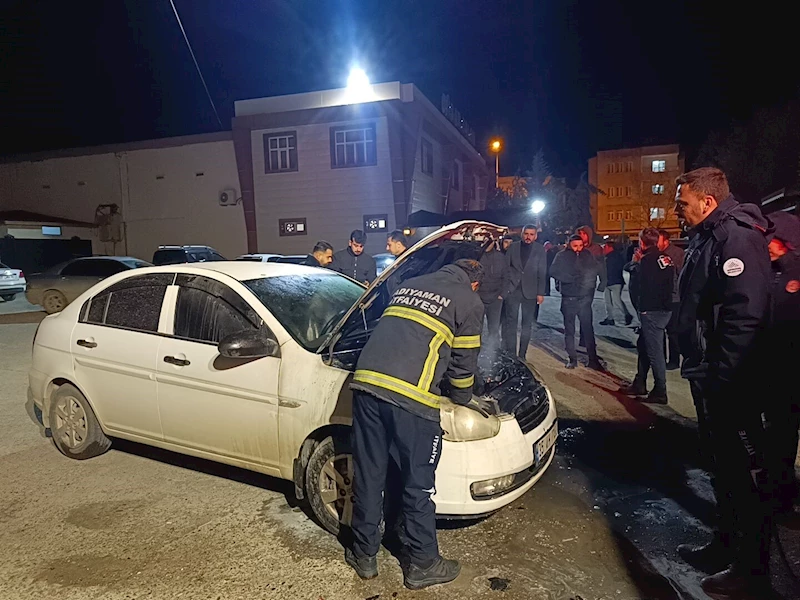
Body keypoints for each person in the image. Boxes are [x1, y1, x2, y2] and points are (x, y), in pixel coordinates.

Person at [347, 259, 487, 590]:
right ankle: (423, 564)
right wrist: (463, 397)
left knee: (369, 474)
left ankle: (364, 555)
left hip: (366, 386)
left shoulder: (409, 285)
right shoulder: (469, 300)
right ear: (474, 283)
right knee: (418, 484)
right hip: (412, 399)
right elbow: (463, 362)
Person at [673, 167, 773, 598]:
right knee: (722, 469)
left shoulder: (737, 237)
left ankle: (751, 569)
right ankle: (726, 546)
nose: (677, 210)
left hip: (731, 382)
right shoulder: (709, 236)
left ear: (707, 201)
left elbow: (745, 315)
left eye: (682, 203)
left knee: (741, 476)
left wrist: (723, 377)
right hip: (709, 374)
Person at [764, 211, 800, 520]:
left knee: (785, 432)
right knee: (779, 433)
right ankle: (779, 491)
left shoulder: (794, 274)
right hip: (775, 369)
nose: (765, 245)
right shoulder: (771, 271)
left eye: (770, 239)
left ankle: (785, 497)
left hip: (791, 368)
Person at [618, 228, 675, 404]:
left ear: (642, 242)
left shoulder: (647, 261)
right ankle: (639, 383)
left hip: (651, 311)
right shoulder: (665, 258)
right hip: (664, 308)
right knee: (644, 346)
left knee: (654, 352)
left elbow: (642, 286)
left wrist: (643, 310)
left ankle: (660, 390)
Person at [550, 235, 603, 370]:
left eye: (580, 245)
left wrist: (590, 283)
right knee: (569, 330)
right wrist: (569, 279)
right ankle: (572, 358)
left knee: (588, 329)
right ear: (569, 244)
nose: (578, 249)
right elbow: (553, 271)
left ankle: (593, 359)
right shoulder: (562, 256)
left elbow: (596, 268)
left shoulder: (587, 254)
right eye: (575, 246)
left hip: (584, 298)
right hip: (569, 298)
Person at [501, 224, 547, 360]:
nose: (528, 237)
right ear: (522, 234)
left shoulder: (539, 249)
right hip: (513, 290)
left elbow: (542, 272)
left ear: (535, 236)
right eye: (526, 234)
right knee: (511, 324)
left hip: (530, 291)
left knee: (527, 325)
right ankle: (511, 354)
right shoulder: (513, 247)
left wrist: (540, 292)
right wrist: (506, 287)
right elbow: (506, 267)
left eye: (531, 234)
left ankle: (522, 355)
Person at [657, 229, 685, 370]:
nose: (656, 244)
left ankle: (674, 360)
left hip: (674, 298)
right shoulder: (656, 254)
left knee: (673, 331)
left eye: (659, 240)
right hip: (660, 297)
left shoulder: (677, 253)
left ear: (666, 241)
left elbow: (681, 275)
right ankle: (660, 358)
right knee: (660, 330)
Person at [575, 226, 606, 347]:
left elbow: (601, 265)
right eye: (580, 233)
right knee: (578, 311)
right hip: (575, 284)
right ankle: (584, 337)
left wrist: (603, 281)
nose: (582, 236)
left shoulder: (595, 249)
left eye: (584, 234)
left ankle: (587, 339)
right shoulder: (574, 247)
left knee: (585, 311)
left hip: (588, 285)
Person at [479, 239, 509, 352]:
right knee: (476, 327)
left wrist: (502, 294)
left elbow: (506, 277)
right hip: (479, 298)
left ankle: (493, 352)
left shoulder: (500, 257)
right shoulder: (476, 256)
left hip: (495, 299)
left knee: (494, 328)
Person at [600, 240, 634, 326]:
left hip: (615, 281)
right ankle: (611, 318)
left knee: (616, 301)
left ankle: (625, 316)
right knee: (609, 301)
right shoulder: (609, 256)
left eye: (605, 247)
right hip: (610, 281)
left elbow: (614, 269)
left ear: (610, 247)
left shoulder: (614, 257)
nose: (604, 249)